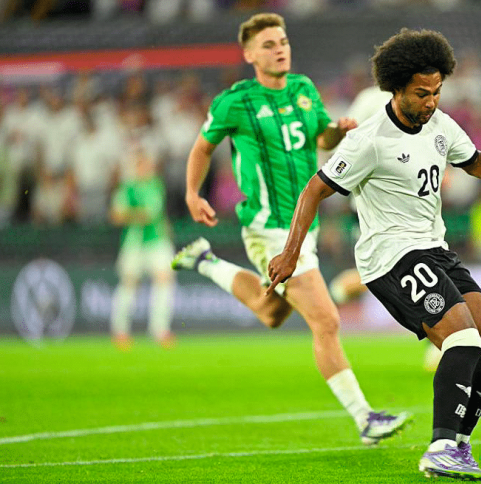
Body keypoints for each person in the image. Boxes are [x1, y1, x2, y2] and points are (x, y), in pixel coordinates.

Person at [267, 28, 481, 480]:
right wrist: (289, 254)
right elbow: (314, 190)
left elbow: (473, 159)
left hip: (435, 249)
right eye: (422, 93)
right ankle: (441, 448)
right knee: (463, 340)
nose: (431, 101)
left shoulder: (440, 125)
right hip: (390, 256)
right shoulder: (370, 139)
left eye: (437, 91)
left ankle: (458, 445)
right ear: (396, 88)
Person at [170, 13, 410, 445]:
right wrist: (192, 193)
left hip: (304, 226)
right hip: (269, 228)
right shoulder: (235, 102)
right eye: (268, 44)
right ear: (249, 55)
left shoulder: (303, 89)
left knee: (272, 313)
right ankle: (366, 419)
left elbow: (321, 139)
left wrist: (337, 130)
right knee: (326, 319)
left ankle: (204, 260)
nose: (279, 49)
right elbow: (202, 148)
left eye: (282, 41)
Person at [110, 137, 176, 350]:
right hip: (135, 241)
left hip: (157, 239)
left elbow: (157, 214)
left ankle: (160, 330)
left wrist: (165, 229)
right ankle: (120, 330)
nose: (146, 167)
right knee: (129, 283)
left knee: (165, 280)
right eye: (141, 164)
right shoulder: (128, 188)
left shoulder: (156, 185)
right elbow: (116, 215)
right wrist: (139, 215)